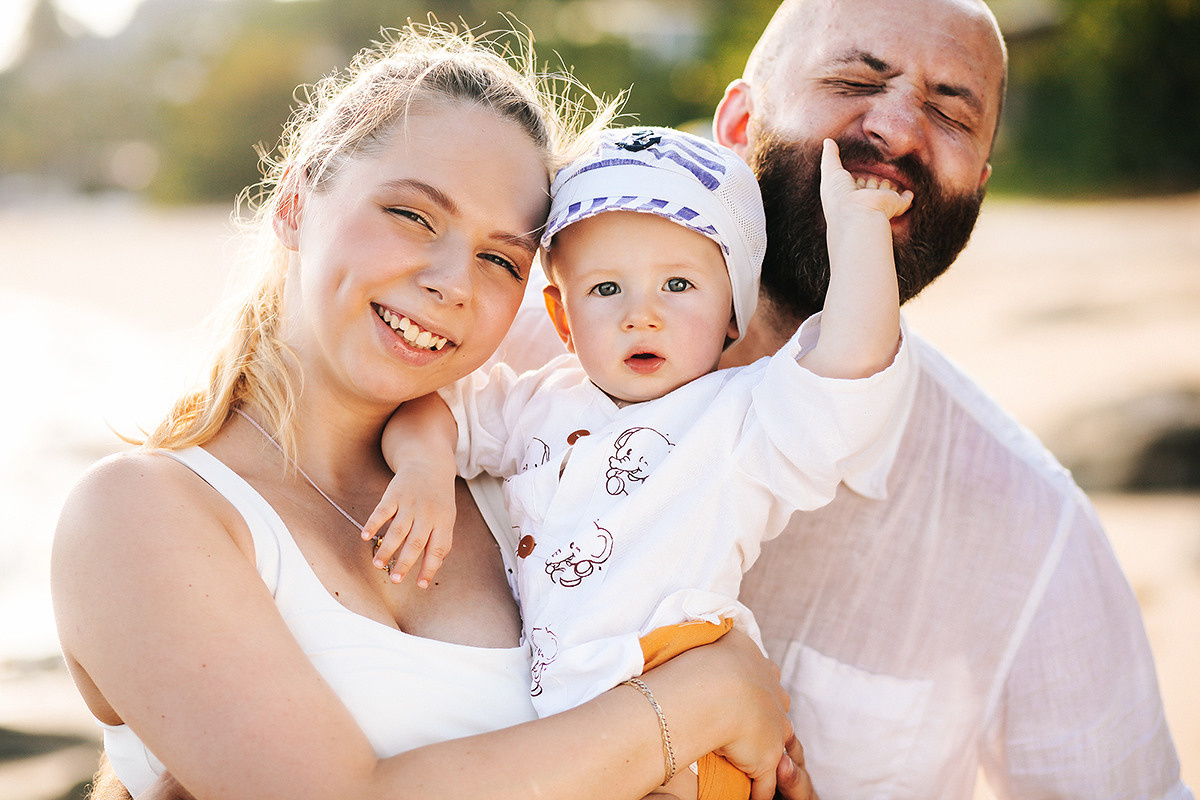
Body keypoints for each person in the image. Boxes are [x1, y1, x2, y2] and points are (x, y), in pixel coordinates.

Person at [51, 25, 808, 800]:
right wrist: (697, 701)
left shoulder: (529, 484)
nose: (453, 282)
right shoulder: (141, 512)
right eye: (413, 216)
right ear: (293, 200)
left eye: (500, 258)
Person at [485, 0, 1194, 796]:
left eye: (950, 110)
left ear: (980, 189)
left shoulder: (1035, 535)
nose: (896, 128)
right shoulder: (509, 356)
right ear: (738, 122)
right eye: (856, 78)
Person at [365, 125, 914, 800]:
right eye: (605, 290)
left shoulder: (743, 416)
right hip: (577, 722)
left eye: (678, 284)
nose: (641, 316)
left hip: (678, 688)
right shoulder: (536, 402)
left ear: (733, 315)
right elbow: (433, 411)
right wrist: (422, 472)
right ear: (563, 319)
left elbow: (851, 363)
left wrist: (859, 231)